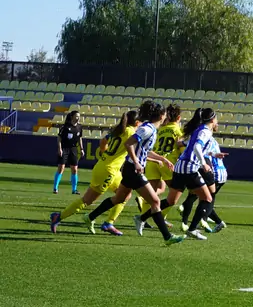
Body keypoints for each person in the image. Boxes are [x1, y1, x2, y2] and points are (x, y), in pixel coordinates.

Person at [59, 101, 184, 246]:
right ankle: (167, 237)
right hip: (133, 170)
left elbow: (144, 150)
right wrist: (136, 162)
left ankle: (90, 217)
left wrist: (161, 159)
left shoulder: (150, 129)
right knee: (155, 201)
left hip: (130, 169)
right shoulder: (147, 129)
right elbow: (128, 143)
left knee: (119, 198)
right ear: (162, 115)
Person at [50, 110, 138, 236]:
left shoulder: (119, 129)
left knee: (125, 195)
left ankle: (109, 223)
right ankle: (58, 217)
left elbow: (103, 141)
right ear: (137, 122)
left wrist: (104, 153)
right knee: (87, 200)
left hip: (111, 169)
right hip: (108, 171)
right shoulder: (131, 132)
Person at [138, 107, 218, 240]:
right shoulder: (205, 131)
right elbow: (197, 147)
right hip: (189, 168)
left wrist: (214, 154)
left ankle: (141, 218)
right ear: (213, 119)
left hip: (180, 167)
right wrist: (203, 163)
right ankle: (192, 229)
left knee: (171, 201)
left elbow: (191, 145)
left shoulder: (199, 129)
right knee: (207, 198)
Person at [138, 104, 183, 224]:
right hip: (168, 162)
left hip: (154, 161)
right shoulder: (178, 131)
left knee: (152, 191)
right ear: (178, 118)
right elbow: (181, 149)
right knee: (173, 195)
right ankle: (161, 218)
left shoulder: (160, 129)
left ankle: (143, 218)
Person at [181, 128, 228, 234]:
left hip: (213, 172)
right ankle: (202, 220)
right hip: (221, 173)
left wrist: (180, 143)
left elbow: (191, 146)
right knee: (205, 199)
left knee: (202, 199)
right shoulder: (212, 140)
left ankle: (196, 221)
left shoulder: (203, 139)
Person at [54, 110, 83, 194]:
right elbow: (59, 138)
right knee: (61, 168)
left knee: (74, 169)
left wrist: (81, 149)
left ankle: (74, 189)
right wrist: (60, 148)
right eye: (76, 116)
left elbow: (80, 138)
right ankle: (55, 188)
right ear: (72, 117)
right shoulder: (65, 127)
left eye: (79, 116)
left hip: (73, 149)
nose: (78, 118)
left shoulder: (79, 127)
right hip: (64, 148)